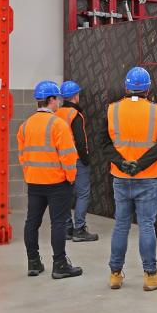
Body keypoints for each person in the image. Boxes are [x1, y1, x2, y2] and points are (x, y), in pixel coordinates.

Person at [101, 67, 157, 291]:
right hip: (147, 177)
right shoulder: (156, 111)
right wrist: (140, 164)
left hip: (120, 177)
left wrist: (123, 163)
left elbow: (104, 144)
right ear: (148, 88)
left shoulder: (112, 110)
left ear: (126, 87)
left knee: (121, 225)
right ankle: (150, 275)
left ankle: (115, 274)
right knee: (147, 226)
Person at [18, 80, 82, 279]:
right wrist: (71, 178)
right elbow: (69, 156)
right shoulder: (58, 125)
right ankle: (60, 265)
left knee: (32, 222)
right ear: (51, 100)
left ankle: (33, 262)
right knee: (58, 224)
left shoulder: (26, 125)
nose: (60, 103)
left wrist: (30, 174)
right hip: (57, 183)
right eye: (58, 99)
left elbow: (22, 155)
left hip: (34, 182)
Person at [56, 80, 98, 242]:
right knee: (83, 193)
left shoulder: (58, 113)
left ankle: (67, 228)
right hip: (76, 160)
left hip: (61, 160)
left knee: (66, 194)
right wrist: (86, 159)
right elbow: (80, 141)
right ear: (75, 95)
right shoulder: (75, 115)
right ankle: (79, 229)